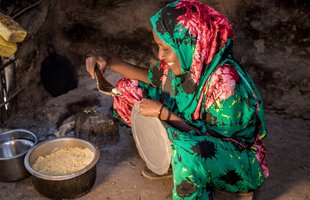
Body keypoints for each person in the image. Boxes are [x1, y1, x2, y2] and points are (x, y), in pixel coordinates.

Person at [86, 0, 269, 199]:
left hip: (238, 163)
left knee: (189, 150)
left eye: (166, 48)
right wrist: (108, 61)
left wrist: (163, 114)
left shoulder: (226, 83)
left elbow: (211, 144)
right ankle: (173, 161)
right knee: (128, 88)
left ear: (189, 43)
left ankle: (201, 178)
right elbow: (149, 77)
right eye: (158, 46)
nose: (160, 55)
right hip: (195, 133)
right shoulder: (191, 63)